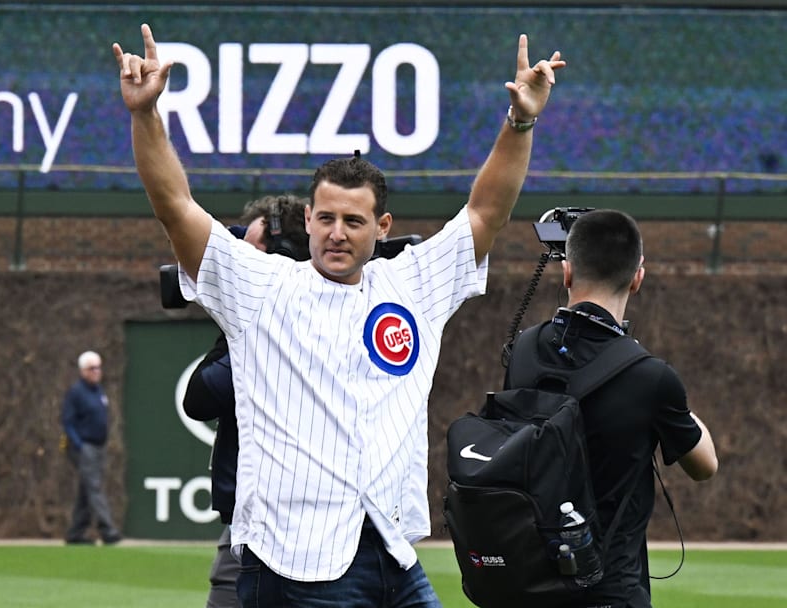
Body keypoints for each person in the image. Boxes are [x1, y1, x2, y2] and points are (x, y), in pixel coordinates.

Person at [113, 23, 565, 606]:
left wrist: (521, 122)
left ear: (381, 229)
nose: (335, 233)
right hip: (291, 563)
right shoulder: (261, 287)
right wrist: (146, 116)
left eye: (353, 222)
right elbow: (176, 207)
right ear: (307, 221)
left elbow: (485, 212)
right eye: (325, 218)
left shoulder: (411, 285)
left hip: (393, 554)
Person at [504, 209, 718, 608]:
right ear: (638, 277)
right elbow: (705, 466)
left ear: (567, 272)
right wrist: (667, 398)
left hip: (531, 584)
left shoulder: (524, 350)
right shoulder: (650, 377)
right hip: (612, 590)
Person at [183, 195, 310, 608]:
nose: (242, 260)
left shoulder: (280, 321)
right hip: (259, 518)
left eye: (254, 249)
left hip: (280, 526)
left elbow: (200, 397)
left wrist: (236, 325)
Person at [61, 350, 122, 545]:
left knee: (86, 489)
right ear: (83, 370)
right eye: (92, 368)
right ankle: (108, 530)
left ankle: (75, 533)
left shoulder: (99, 391)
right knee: (94, 486)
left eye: (98, 367)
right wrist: (79, 444)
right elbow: (67, 422)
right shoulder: (76, 392)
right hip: (84, 446)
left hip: (98, 446)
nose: (96, 371)